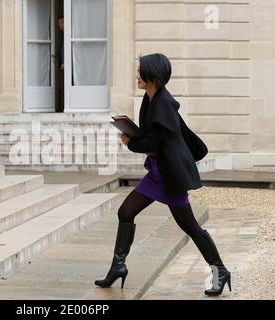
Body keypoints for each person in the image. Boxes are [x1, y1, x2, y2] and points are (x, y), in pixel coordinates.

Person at [94, 53, 231, 297]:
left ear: (152, 76)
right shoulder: (151, 99)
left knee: (190, 226)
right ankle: (118, 266)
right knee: (126, 211)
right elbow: (154, 137)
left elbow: (153, 142)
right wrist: (133, 135)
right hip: (159, 172)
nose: (136, 75)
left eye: (140, 71)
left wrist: (130, 142)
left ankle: (220, 270)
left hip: (171, 177)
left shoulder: (162, 104)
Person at [56, 16, 65, 113]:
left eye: (61, 22)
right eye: (59, 23)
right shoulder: (63, 34)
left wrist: (65, 62)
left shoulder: (68, 34)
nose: (59, 25)